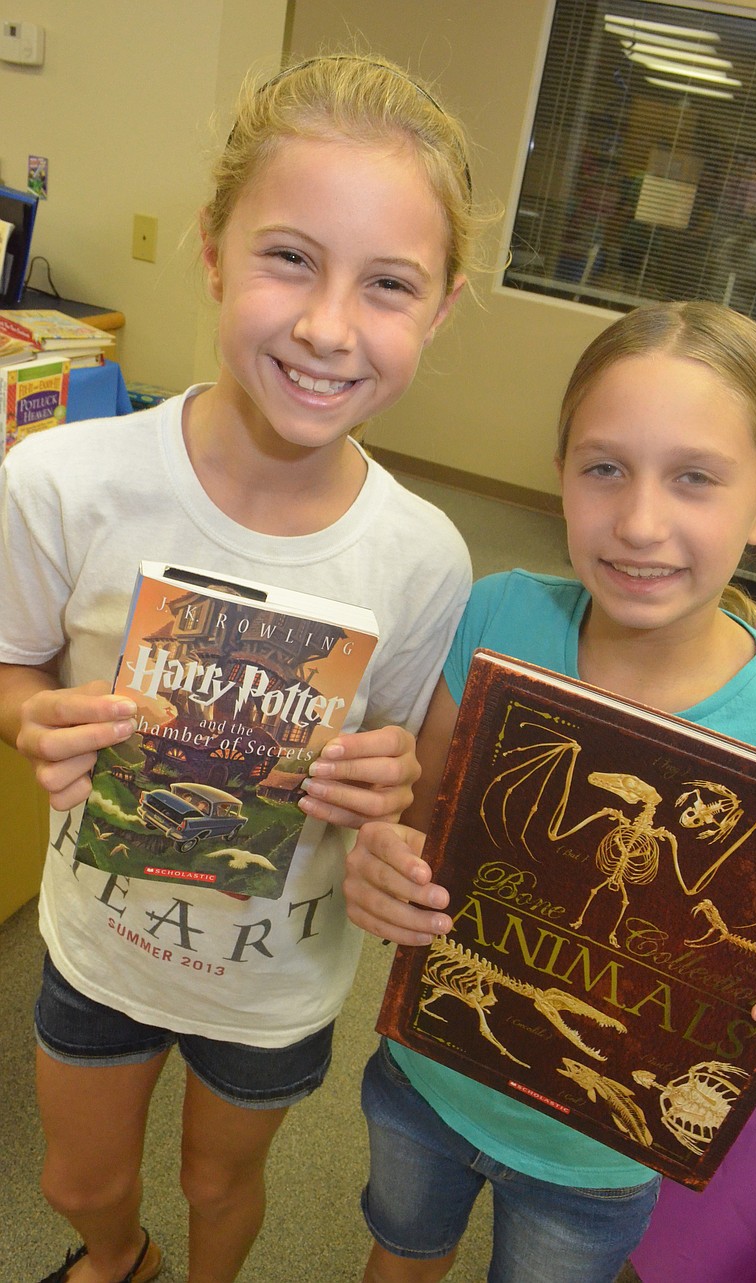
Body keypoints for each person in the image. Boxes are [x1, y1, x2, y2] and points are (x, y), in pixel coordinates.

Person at [0, 53, 480, 1283]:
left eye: (388, 283)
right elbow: (11, 666)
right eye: (289, 258)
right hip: (99, 934)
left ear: (441, 309)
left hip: (275, 973)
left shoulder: (425, 555)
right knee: (76, 1183)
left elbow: (411, 783)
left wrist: (388, 794)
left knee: (223, 1181)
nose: (328, 326)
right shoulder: (61, 482)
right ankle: (121, 1257)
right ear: (213, 250)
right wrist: (33, 717)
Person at [344, 301, 756, 1283]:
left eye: (695, 477)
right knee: (400, 1249)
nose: (639, 521)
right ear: (561, 472)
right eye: (604, 467)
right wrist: (381, 856)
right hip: (430, 1071)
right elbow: (422, 811)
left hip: (598, 1152)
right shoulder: (496, 614)